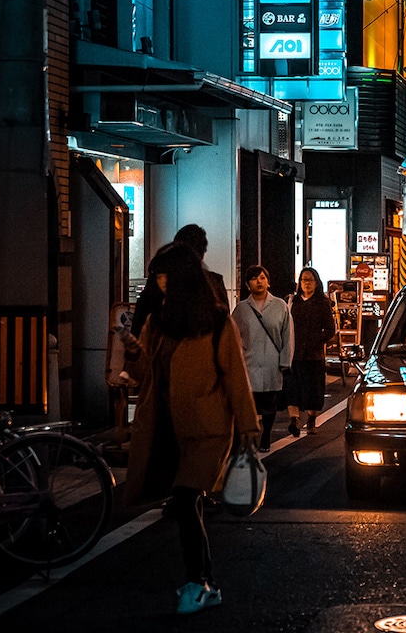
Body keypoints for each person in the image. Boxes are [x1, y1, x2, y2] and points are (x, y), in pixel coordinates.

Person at [119, 242, 259, 615]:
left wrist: (248, 427)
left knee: (184, 500)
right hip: (167, 425)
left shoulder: (215, 322)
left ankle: (198, 582)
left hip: (208, 430)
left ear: (180, 278)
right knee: (187, 503)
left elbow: (235, 378)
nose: (159, 283)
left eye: (163, 276)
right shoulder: (157, 322)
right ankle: (205, 581)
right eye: (156, 277)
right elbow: (143, 375)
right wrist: (133, 351)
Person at [231, 265, 294, 452]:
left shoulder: (280, 306)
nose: (259, 281)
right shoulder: (241, 309)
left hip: (272, 366)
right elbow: (233, 338)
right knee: (248, 405)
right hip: (248, 365)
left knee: (269, 405)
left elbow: (287, 336)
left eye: (262, 278)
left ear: (268, 281)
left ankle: (266, 435)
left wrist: (285, 362)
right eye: (254, 278)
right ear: (247, 284)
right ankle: (249, 438)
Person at [131, 224, 229, 337]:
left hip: (163, 350)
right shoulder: (215, 283)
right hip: (205, 350)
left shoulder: (158, 280)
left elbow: (138, 327)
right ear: (202, 253)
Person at [286, 267, 336, 437]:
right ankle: (294, 420)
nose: (306, 283)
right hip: (294, 353)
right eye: (303, 280)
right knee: (292, 388)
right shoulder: (292, 302)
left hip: (314, 355)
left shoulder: (322, 302)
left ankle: (311, 420)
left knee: (314, 390)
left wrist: (316, 340)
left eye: (310, 280)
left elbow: (330, 329)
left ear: (316, 283)